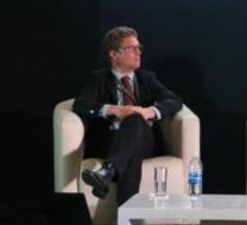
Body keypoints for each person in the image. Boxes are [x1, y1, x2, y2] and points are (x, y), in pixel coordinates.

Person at [73, 26, 182, 205]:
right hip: (111, 142)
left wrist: (149, 111)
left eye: (139, 48)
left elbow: (174, 101)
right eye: (131, 48)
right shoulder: (99, 79)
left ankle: (107, 172)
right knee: (132, 156)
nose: (138, 52)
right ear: (113, 54)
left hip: (144, 139)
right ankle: (127, 216)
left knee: (136, 119)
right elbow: (81, 104)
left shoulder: (147, 78)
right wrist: (110, 109)